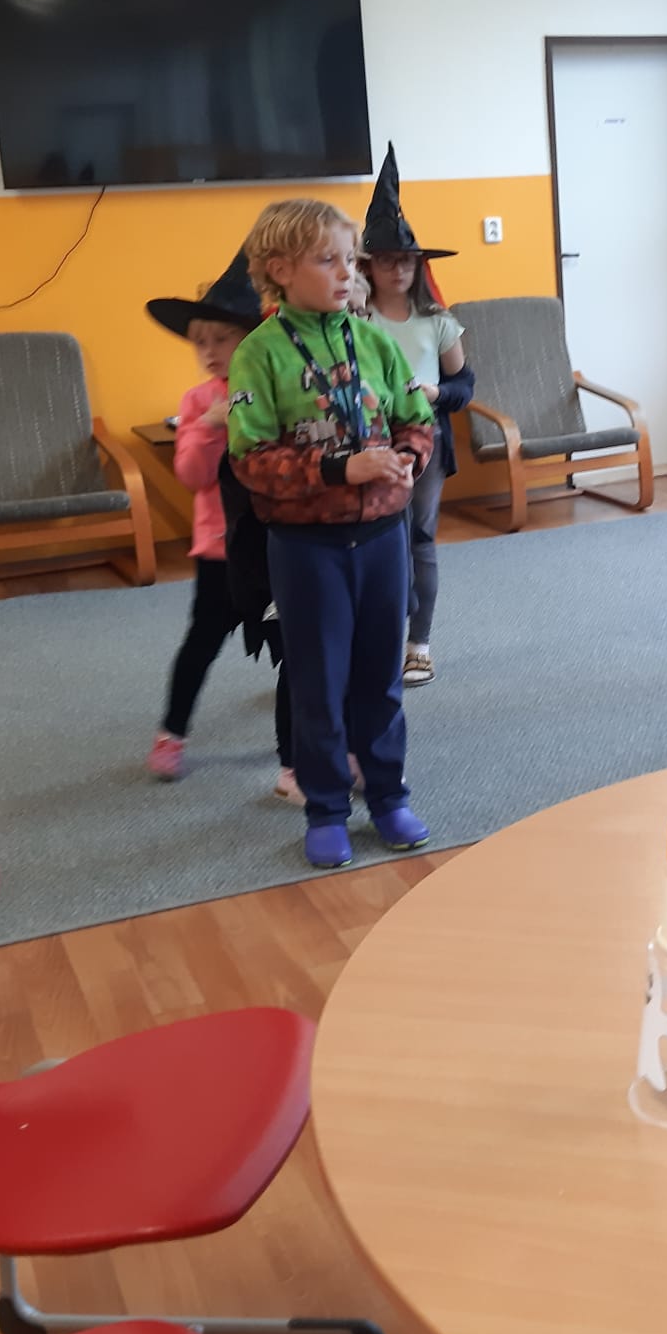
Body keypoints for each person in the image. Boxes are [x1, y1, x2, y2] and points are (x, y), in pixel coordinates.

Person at [226, 197, 436, 869]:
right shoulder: (258, 355)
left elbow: (417, 419)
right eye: (328, 260)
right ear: (280, 270)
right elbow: (250, 460)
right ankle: (324, 809)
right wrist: (343, 468)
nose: (349, 273)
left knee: (381, 678)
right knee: (317, 684)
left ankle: (388, 796)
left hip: (382, 541)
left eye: (352, 260)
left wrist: (407, 461)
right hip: (306, 548)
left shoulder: (374, 341)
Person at [144, 255, 294, 789]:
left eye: (222, 339)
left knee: (293, 650)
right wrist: (211, 425)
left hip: (276, 547)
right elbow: (191, 475)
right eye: (200, 342)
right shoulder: (197, 401)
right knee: (201, 642)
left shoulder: (279, 390)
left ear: (251, 339)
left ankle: (294, 759)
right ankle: (172, 731)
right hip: (219, 552)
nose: (209, 352)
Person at [357, 144, 475, 686]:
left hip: (427, 442)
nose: (398, 269)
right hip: (365, 445)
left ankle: (418, 644)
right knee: (376, 541)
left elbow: (464, 385)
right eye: (386, 260)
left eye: (406, 261)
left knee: (420, 538)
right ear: (367, 266)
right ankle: (374, 642)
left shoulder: (438, 321)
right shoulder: (354, 322)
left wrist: (435, 392)